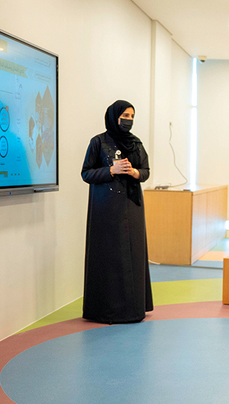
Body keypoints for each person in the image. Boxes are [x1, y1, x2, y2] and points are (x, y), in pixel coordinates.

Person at [81, 100, 153, 324]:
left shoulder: (136, 143)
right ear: (114, 116)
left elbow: (146, 171)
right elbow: (86, 173)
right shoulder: (98, 142)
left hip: (132, 208)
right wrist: (111, 170)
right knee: (109, 257)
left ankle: (133, 309)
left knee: (132, 256)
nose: (128, 120)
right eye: (125, 116)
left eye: (132, 116)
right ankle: (106, 310)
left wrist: (134, 172)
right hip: (106, 209)